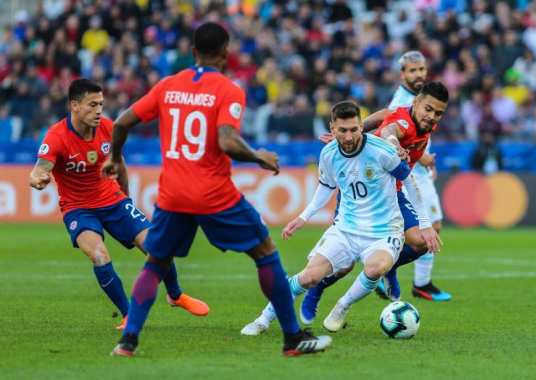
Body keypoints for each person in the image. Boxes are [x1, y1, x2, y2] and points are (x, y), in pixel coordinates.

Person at [104, 22, 331, 357]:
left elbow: (122, 121)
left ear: (193, 52)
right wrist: (258, 157)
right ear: (226, 52)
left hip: (172, 195)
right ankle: (292, 339)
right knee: (265, 252)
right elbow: (226, 141)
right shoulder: (228, 90)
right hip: (213, 194)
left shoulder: (167, 86)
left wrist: (116, 158)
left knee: (155, 263)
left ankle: (127, 342)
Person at [29, 79, 208, 331]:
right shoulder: (57, 136)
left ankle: (176, 295)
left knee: (158, 246)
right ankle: (128, 314)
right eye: (92, 105)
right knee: (99, 255)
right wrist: (38, 180)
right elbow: (38, 171)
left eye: (101, 104)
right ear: (74, 105)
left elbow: (119, 164)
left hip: (113, 201)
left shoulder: (107, 128)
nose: (99, 110)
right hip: (78, 208)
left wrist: (126, 198)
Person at [241, 100, 408, 336]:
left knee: (376, 268)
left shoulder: (381, 151)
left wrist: (399, 151)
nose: (349, 136)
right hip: (346, 228)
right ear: (332, 128)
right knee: (309, 277)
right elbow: (326, 187)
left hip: (384, 230)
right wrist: (303, 217)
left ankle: (342, 306)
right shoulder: (328, 154)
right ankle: (263, 319)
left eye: (353, 129)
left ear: (361, 126)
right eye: (342, 130)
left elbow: (404, 177)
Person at [302, 81, 449, 329]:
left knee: (422, 242)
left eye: (438, 113)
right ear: (416, 103)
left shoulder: (419, 120)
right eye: (428, 109)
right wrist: (385, 140)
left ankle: (388, 268)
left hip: (392, 193)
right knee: (343, 265)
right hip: (360, 195)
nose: (432, 116)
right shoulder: (404, 123)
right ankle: (316, 289)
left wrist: (362, 128)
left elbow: (383, 115)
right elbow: (392, 128)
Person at [374, 51, 452, 302]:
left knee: (432, 227)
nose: (418, 74)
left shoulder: (426, 99)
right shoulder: (405, 98)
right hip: (409, 171)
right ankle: (408, 276)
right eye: (412, 70)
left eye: (421, 69)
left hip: (417, 166)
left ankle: (415, 279)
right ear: (403, 74)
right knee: (427, 229)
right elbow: (388, 122)